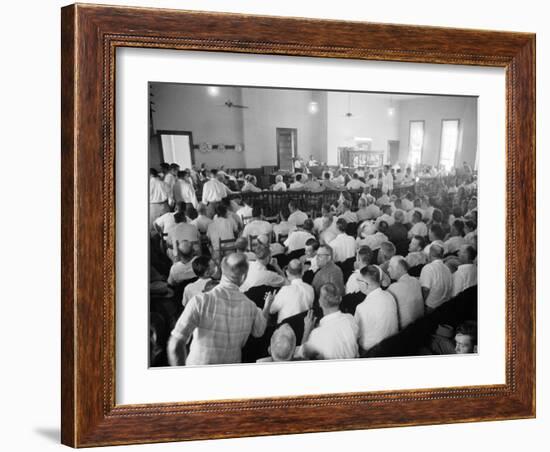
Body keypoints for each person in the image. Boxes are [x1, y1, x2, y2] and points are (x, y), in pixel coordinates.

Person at [167, 253, 273, 365]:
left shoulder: (200, 301)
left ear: (222, 269)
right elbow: (259, 331)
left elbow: (175, 345)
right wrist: (267, 306)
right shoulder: (251, 306)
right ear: (243, 277)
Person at [300, 283, 359, 360]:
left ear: (320, 302)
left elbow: (302, 355)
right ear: (340, 299)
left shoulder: (316, 335)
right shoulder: (350, 318)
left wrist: (307, 330)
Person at [354, 265, 398, 353]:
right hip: (392, 344)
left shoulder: (362, 308)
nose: (357, 282)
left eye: (358, 280)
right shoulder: (390, 295)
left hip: (371, 351)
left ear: (364, 284)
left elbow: (355, 334)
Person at [269, 260, 314, 324]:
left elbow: (271, 310)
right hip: (302, 326)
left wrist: (269, 301)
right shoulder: (310, 288)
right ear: (302, 272)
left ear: (287, 272)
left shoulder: (285, 290)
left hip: (286, 329)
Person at [387, 256, 425, 329]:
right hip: (419, 323)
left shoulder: (394, 288)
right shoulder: (415, 280)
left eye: (390, 267)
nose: (388, 270)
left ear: (399, 269)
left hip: (405, 329)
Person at [419, 244, 453, 312]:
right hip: (444, 306)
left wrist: (424, 304)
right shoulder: (447, 268)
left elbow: (425, 289)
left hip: (431, 307)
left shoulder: (428, 268)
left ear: (430, 254)